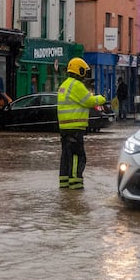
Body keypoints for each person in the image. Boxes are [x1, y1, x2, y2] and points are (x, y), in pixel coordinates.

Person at [56, 57, 106, 190]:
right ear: (80, 70)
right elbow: (89, 101)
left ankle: (64, 183)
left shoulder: (64, 85)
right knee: (78, 156)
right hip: (75, 127)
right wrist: (102, 98)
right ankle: (76, 184)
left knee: (66, 156)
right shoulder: (76, 85)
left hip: (64, 128)